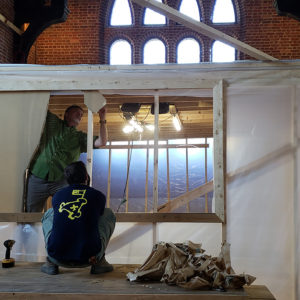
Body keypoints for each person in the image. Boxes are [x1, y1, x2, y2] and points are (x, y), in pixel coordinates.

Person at [26, 105, 108, 212]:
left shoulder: (80, 138)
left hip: (61, 181)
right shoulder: (54, 124)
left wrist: (102, 119)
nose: (80, 115)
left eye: (81, 114)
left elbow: (102, 142)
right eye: (76, 112)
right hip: (38, 176)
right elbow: (40, 106)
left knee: (67, 211)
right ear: (67, 114)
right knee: (31, 214)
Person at [41, 161, 116, 275]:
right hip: (90, 257)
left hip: (57, 256)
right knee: (108, 213)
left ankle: (50, 262)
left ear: (67, 179)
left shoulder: (58, 196)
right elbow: (98, 216)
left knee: (50, 213)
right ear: (86, 176)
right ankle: (100, 263)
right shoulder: (98, 196)